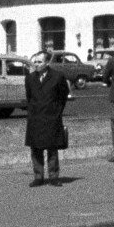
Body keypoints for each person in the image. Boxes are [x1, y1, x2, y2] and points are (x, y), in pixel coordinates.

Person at [24, 52, 71, 187]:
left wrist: (57, 111)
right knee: (36, 149)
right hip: (35, 118)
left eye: (39, 62)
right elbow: (29, 97)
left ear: (47, 63)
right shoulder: (30, 78)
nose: (36, 65)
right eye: (35, 62)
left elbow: (63, 95)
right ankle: (38, 176)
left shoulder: (57, 77)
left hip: (51, 117)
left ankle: (54, 176)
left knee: (52, 148)